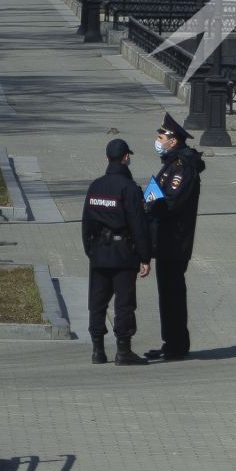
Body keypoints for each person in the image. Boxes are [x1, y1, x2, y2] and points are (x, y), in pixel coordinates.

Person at [81, 137, 152, 366]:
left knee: (97, 301)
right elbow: (138, 225)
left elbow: (86, 223)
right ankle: (123, 351)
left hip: (100, 253)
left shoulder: (95, 186)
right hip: (123, 253)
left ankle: (97, 350)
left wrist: (91, 250)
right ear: (126, 157)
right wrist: (145, 257)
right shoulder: (129, 188)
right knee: (124, 302)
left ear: (106, 158)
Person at [143, 112, 205, 362]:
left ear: (173, 140)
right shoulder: (170, 164)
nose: (158, 139)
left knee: (173, 294)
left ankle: (177, 345)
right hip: (166, 239)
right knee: (167, 293)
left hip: (175, 241)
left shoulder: (182, 168)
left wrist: (148, 205)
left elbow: (170, 202)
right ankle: (171, 341)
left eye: (161, 136)